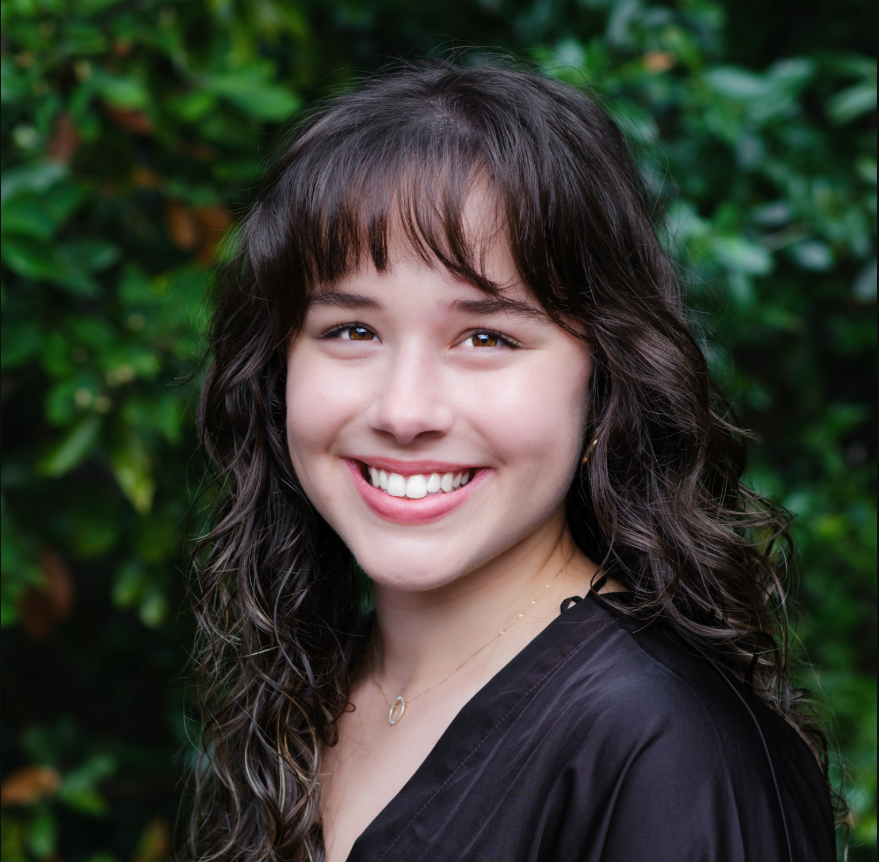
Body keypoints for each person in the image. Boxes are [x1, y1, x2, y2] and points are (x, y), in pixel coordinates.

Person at [186, 60, 837, 861]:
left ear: (606, 381)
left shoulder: (665, 750)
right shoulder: (309, 686)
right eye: (351, 330)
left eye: (486, 337)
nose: (404, 411)